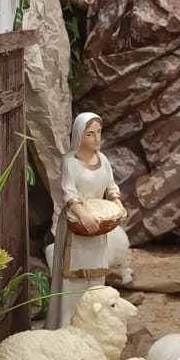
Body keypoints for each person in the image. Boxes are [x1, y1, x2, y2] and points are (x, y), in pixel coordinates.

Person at [45, 113, 122, 329]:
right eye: (90, 134)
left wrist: (118, 204)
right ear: (79, 135)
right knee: (73, 278)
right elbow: (68, 192)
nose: (96, 139)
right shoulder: (70, 162)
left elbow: (111, 187)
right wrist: (82, 214)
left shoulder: (103, 160)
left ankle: (92, 325)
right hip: (76, 226)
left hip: (97, 227)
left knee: (95, 275)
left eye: (99, 133)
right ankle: (67, 324)